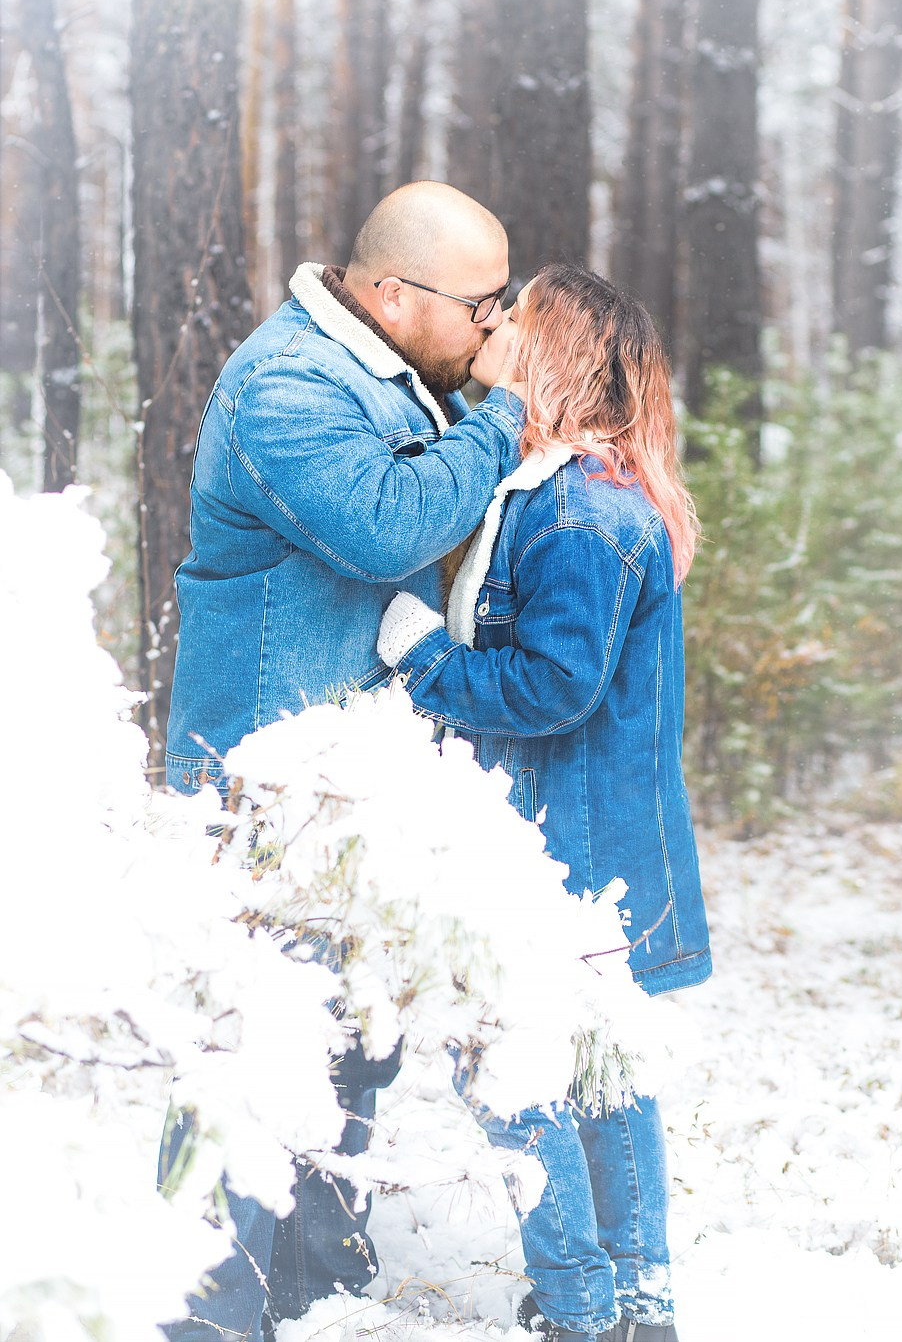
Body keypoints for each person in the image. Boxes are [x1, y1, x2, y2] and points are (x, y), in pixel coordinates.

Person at [160, 181, 526, 1340]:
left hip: (352, 778)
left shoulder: (384, 372)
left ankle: (317, 1286)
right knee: (244, 1040)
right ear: (390, 294)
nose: (495, 324)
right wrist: (506, 414)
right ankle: (203, 1308)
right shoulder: (288, 386)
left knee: (354, 1035)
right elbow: (382, 522)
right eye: (482, 303)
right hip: (263, 782)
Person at [377, 265, 712, 1342]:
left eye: (513, 312)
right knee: (601, 1073)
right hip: (590, 849)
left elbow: (551, 689)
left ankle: (583, 1305)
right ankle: (632, 1305)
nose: (492, 318)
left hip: (557, 858)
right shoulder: (574, 490)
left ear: (550, 351)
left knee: (513, 1065)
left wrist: (421, 656)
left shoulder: (577, 511)